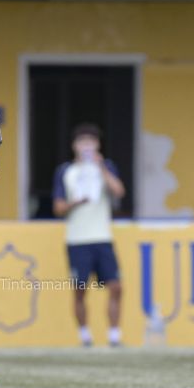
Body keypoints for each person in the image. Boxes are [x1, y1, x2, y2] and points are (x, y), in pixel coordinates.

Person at [52, 123, 125, 347]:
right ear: (74, 146)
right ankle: (85, 335)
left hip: (102, 237)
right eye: (82, 142)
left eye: (91, 142)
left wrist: (101, 166)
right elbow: (58, 208)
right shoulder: (66, 171)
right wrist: (75, 203)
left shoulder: (106, 167)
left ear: (98, 145)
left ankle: (114, 335)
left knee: (115, 286)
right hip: (77, 240)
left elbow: (119, 192)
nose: (86, 146)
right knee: (80, 290)